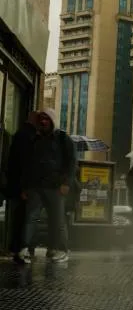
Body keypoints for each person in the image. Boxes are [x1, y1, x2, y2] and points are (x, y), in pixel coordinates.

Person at [18, 109, 75, 263]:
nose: (43, 122)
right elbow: (27, 165)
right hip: (35, 186)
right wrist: (24, 187)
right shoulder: (33, 140)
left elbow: (71, 163)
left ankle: (60, 250)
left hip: (55, 186)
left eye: (47, 119)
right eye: (41, 119)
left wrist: (66, 183)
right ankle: (25, 249)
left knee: (57, 220)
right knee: (31, 218)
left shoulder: (63, 139)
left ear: (52, 121)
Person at [5, 112, 38, 264]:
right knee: (24, 218)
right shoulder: (28, 136)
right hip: (23, 186)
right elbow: (25, 164)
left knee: (20, 217)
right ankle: (20, 249)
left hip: (17, 184)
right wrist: (24, 187)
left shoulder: (21, 134)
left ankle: (17, 248)